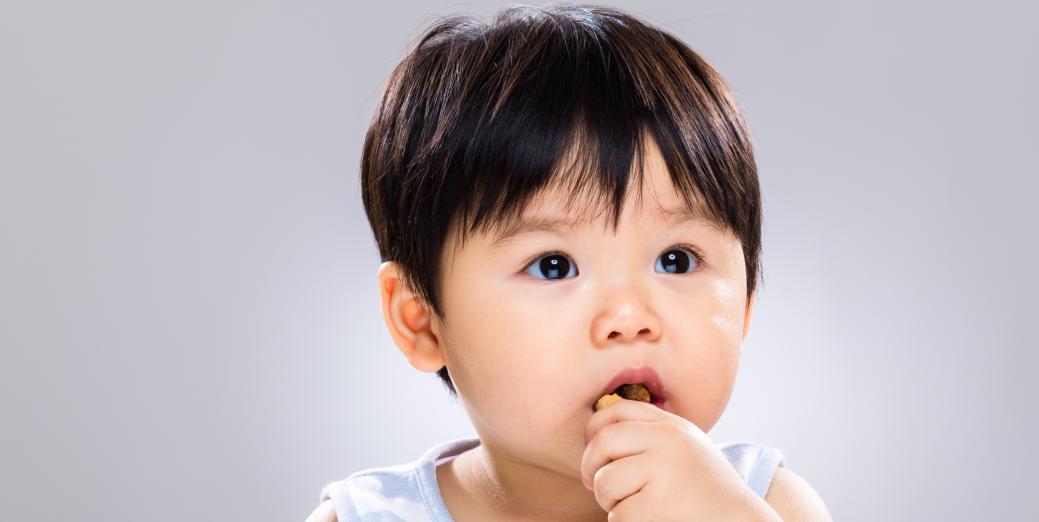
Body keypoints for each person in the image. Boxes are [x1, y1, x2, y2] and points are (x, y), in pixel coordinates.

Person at [309, 3, 833, 520]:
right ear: (421, 322)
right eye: (553, 265)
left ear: (744, 307)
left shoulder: (765, 504)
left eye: (676, 260)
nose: (630, 318)